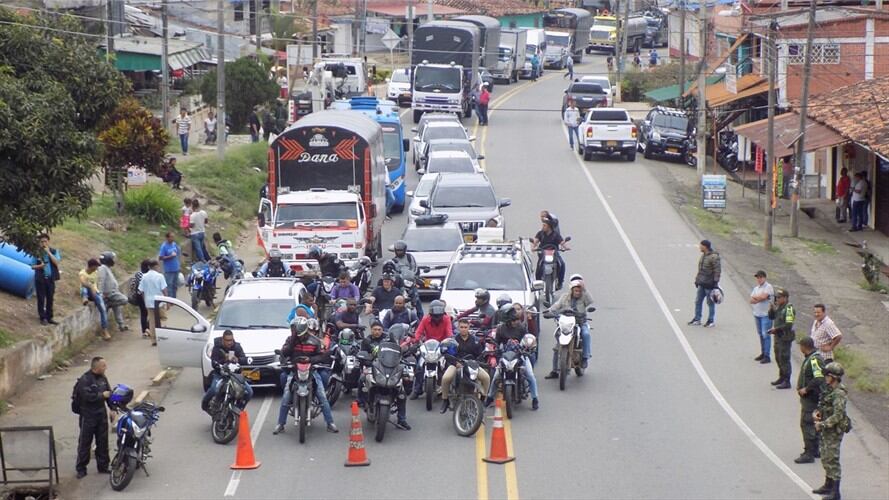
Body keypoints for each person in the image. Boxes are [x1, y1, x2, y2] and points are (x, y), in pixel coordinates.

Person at [273, 317, 338, 434]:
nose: (300, 337)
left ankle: (330, 423)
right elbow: (285, 353)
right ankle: (280, 424)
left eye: (300, 334)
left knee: (322, 396)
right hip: (295, 372)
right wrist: (293, 340)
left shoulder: (315, 341)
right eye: (295, 333)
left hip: (311, 371)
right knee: (286, 396)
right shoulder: (290, 340)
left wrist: (311, 360)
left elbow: (322, 356)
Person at [488, 304, 539, 410]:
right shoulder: (500, 329)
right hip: (505, 356)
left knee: (530, 375)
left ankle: (535, 399)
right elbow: (496, 343)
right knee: (496, 376)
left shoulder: (521, 327)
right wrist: (495, 350)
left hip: (520, 355)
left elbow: (527, 339)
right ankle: (489, 397)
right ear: (508, 321)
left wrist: (528, 347)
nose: (516, 322)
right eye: (513, 320)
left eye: (517, 319)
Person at [812, 362, 850, 500]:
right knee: (825, 456)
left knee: (832, 458)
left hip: (833, 430)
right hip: (827, 428)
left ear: (834, 377)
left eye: (828, 375)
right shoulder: (830, 390)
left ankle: (835, 492)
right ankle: (828, 484)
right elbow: (824, 404)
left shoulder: (839, 393)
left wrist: (822, 424)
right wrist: (818, 413)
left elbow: (838, 415)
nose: (826, 377)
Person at [439, 319, 491, 413]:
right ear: (458, 328)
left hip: (472, 365)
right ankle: (445, 400)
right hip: (456, 364)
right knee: (446, 378)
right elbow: (448, 355)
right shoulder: (453, 340)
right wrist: (456, 363)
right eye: (461, 327)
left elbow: (480, 355)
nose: (463, 329)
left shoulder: (475, 341)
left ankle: (483, 399)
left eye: (465, 327)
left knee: (486, 378)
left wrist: (477, 363)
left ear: (469, 327)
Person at [544, 277, 593, 374]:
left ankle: (585, 357)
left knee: (586, 334)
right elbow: (556, 306)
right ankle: (554, 370)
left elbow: (590, 301)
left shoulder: (584, 297)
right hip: (566, 324)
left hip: (580, 322)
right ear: (572, 290)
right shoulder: (564, 297)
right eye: (576, 291)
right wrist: (549, 311)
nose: (577, 293)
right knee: (557, 345)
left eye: (579, 291)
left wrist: (585, 289)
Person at [74, 356, 112, 479]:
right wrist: (102, 395)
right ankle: (81, 468)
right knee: (85, 443)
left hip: (101, 414)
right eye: (103, 366)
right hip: (88, 415)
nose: (105, 368)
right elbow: (87, 397)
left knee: (103, 442)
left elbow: (109, 394)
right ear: (96, 367)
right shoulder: (85, 379)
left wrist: (113, 408)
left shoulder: (103, 378)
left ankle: (103, 466)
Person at [408, 300, 452, 398]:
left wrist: (449, 341)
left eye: (439, 315)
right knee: (419, 366)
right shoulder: (425, 319)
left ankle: (446, 388)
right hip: (428, 346)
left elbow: (449, 333)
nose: (437, 318)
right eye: (435, 316)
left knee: (448, 365)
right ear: (431, 314)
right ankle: (417, 389)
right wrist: (415, 342)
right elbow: (418, 332)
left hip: (442, 346)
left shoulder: (446, 319)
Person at [201, 330, 253, 413]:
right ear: (223, 339)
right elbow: (213, 362)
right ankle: (205, 403)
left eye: (231, 340)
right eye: (227, 340)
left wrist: (238, 359)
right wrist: (224, 360)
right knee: (214, 389)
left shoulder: (237, 347)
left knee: (249, 392)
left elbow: (244, 358)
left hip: (234, 375)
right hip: (220, 374)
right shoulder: (217, 348)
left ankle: (239, 409)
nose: (229, 342)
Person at [795, 336, 825, 464]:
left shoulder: (814, 360)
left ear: (804, 346)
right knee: (814, 422)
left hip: (811, 398)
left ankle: (809, 453)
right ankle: (815, 449)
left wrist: (806, 389)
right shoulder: (812, 358)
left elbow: (819, 378)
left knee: (807, 423)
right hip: (813, 398)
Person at [767, 288, 796, 389]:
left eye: (779, 297)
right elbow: (771, 317)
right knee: (778, 357)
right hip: (778, 337)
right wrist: (771, 309)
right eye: (776, 297)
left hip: (785, 337)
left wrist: (776, 329)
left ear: (785, 298)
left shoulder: (789, 309)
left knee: (784, 358)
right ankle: (782, 377)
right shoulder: (779, 307)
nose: (777, 299)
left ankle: (787, 380)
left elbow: (788, 324)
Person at [688, 240, 721, 327]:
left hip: (710, 284)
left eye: (701, 245)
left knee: (710, 303)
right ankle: (697, 319)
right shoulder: (703, 255)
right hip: (702, 283)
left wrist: (715, 283)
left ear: (705, 246)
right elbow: (701, 270)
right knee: (698, 301)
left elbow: (717, 271)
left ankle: (711, 320)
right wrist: (697, 280)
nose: (699, 247)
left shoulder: (714, 257)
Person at [31, 233, 61, 325]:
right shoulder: (36, 252)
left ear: (48, 241)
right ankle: (42, 317)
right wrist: (40, 266)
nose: (44, 243)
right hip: (40, 278)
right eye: (42, 242)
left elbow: (56, 262)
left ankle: (49, 317)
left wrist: (48, 252)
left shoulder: (54, 251)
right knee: (41, 298)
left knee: (50, 298)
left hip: (50, 279)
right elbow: (32, 266)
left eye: (45, 241)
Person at [531, 218, 568, 290]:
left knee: (562, 264)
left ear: (549, 226)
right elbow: (535, 242)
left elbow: (562, 242)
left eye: (544, 225)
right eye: (543, 225)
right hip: (543, 253)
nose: (543, 227)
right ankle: (538, 283)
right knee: (539, 266)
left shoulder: (556, 235)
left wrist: (566, 247)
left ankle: (560, 282)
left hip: (554, 253)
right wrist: (533, 247)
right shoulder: (540, 233)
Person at [137, 259, 168, 346]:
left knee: (152, 321)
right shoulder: (160, 276)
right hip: (160, 302)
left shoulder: (144, 277)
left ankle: (153, 339)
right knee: (163, 318)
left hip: (149, 302)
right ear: (156, 266)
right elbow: (164, 289)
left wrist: (145, 300)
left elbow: (141, 291)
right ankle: (163, 337)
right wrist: (167, 301)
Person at [97, 252, 129, 332]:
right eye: (112, 259)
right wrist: (100, 293)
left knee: (117, 309)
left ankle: (121, 325)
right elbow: (101, 280)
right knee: (124, 300)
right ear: (108, 260)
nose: (114, 260)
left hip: (113, 292)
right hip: (109, 293)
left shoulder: (107, 268)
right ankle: (109, 303)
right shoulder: (103, 268)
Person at [79, 259, 110, 340]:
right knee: (84, 288)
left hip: (95, 292)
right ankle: (85, 298)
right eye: (96, 266)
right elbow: (83, 282)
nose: (97, 268)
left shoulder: (96, 273)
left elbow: (97, 284)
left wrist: (97, 292)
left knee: (103, 309)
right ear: (92, 266)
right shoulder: (82, 273)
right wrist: (90, 286)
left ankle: (105, 330)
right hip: (86, 291)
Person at [750, 270, 774, 364]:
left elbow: (763, 297)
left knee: (766, 334)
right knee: (760, 334)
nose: (759, 279)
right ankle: (763, 353)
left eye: (760, 277)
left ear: (764, 277)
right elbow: (751, 300)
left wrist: (758, 298)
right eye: (758, 277)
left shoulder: (768, 287)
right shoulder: (756, 288)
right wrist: (759, 298)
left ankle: (767, 355)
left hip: (766, 314)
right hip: (757, 314)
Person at [131, 260, 151, 337]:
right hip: (148, 295)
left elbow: (132, 284)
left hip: (139, 295)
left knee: (143, 313)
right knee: (151, 313)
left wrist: (133, 293)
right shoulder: (149, 275)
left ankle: (144, 331)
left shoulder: (138, 274)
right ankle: (148, 328)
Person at [158, 231, 181, 298]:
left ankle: (174, 299)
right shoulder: (164, 246)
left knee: (175, 285)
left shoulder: (174, 244)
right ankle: (169, 300)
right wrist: (170, 256)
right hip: (169, 270)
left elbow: (178, 253)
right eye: (171, 237)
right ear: (167, 238)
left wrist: (178, 264)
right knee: (169, 285)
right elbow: (160, 257)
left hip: (176, 268)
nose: (173, 238)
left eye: (173, 237)